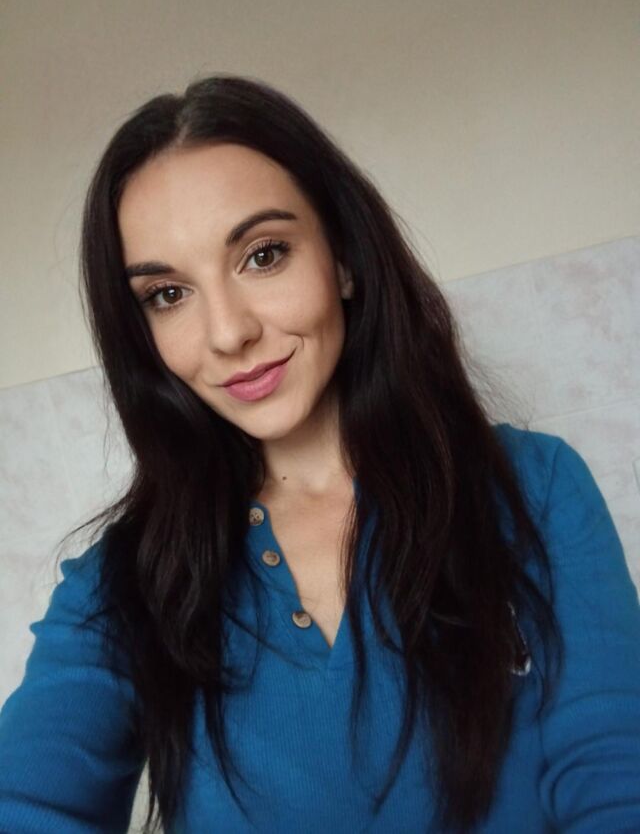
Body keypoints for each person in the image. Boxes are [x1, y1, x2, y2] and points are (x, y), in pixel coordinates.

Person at [1, 75, 639, 834]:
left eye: (263, 254)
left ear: (343, 258)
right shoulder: (124, 581)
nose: (228, 333)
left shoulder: (534, 487)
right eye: (168, 294)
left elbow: (617, 779)